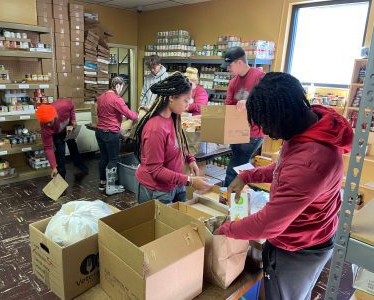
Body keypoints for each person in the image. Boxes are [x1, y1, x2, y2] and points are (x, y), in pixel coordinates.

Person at [218, 72, 354, 300]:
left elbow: (267, 225)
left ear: (284, 117)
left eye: (267, 126)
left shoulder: (311, 161)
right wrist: (249, 175)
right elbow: (285, 167)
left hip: (300, 247)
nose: (267, 133)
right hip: (308, 234)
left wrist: (226, 230)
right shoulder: (312, 122)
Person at [135, 72, 213, 204]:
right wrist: (190, 181)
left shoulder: (172, 117)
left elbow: (178, 143)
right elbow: (156, 170)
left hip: (175, 183)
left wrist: (190, 158)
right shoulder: (155, 129)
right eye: (186, 100)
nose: (188, 105)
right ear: (172, 97)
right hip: (158, 190)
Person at [221, 46, 266, 187]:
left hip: (253, 132)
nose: (228, 69)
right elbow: (228, 105)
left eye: (230, 65)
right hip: (236, 131)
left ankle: (225, 198)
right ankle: (247, 190)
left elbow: (267, 102)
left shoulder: (260, 77)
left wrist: (249, 103)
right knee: (241, 164)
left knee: (234, 167)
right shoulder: (233, 82)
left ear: (239, 62)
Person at [95, 76, 138, 195]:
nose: (121, 90)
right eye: (122, 87)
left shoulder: (101, 97)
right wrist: (139, 115)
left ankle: (102, 184)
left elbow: (102, 113)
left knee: (104, 157)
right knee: (113, 159)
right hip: (111, 133)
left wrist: (118, 117)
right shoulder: (116, 99)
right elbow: (131, 115)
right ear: (118, 86)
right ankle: (111, 187)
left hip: (99, 131)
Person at [36, 99, 88, 179]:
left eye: (49, 121)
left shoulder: (64, 105)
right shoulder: (45, 127)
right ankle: (61, 176)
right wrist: (53, 167)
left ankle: (79, 164)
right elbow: (48, 148)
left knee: (73, 145)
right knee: (60, 152)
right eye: (46, 123)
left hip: (68, 128)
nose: (48, 124)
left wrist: (73, 120)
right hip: (57, 133)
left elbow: (72, 105)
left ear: (55, 115)